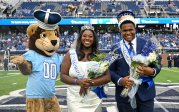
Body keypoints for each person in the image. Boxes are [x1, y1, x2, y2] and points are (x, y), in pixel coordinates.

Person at [109, 10, 161, 112]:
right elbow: (110, 70)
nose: (128, 32)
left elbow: (158, 64)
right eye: (124, 30)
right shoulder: (114, 48)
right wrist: (120, 81)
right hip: (124, 95)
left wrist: (152, 71)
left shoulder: (147, 44)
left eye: (130, 29)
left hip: (145, 93)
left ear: (135, 29)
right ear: (120, 31)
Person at [60, 24, 111, 112]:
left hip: (94, 98)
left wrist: (89, 83)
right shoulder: (71, 54)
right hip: (75, 97)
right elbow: (63, 76)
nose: (87, 38)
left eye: (90, 36)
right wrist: (79, 82)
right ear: (80, 38)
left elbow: (107, 77)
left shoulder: (99, 56)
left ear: (94, 39)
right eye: (84, 36)